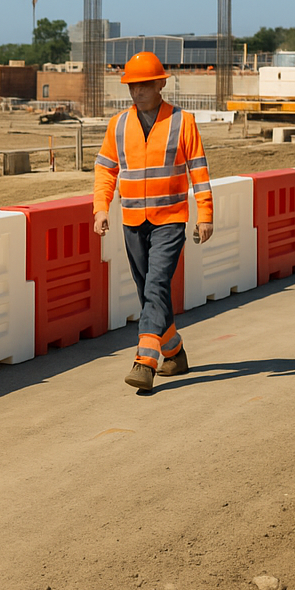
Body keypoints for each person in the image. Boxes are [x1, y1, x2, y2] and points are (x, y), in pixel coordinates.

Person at [92, 52, 213, 392]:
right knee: (148, 292)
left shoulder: (182, 121)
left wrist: (205, 214)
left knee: (156, 285)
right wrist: (101, 208)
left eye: (145, 84)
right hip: (132, 219)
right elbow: (105, 170)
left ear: (161, 83)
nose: (138, 91)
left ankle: (145, 361)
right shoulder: (118, 125)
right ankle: (174, 352)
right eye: (133, 85)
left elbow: (199, 173)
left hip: (171, 220)